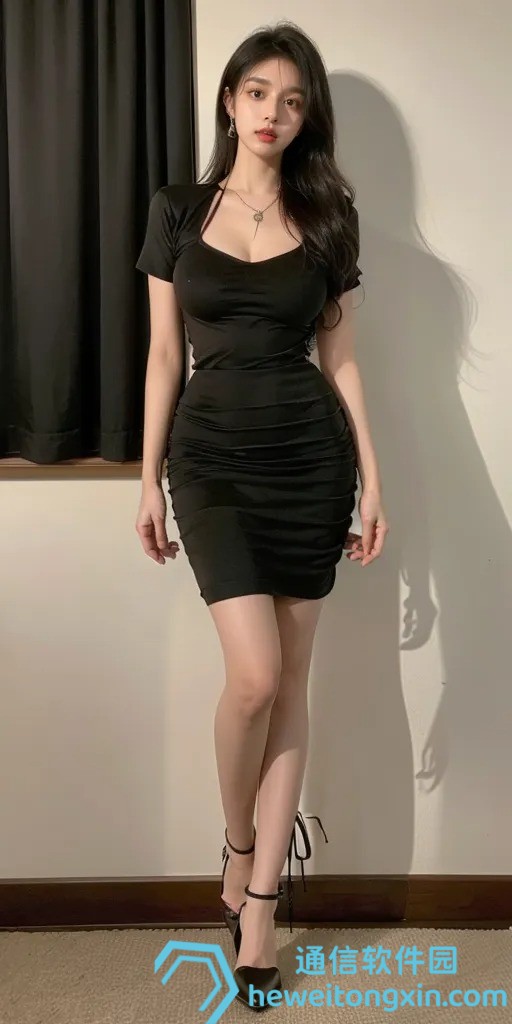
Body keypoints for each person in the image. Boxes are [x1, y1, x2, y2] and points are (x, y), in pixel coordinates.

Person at [135, 19, 389, 1013]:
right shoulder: (176, 209)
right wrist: (145, 480)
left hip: (308, 460)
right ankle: (239, 845)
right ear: (229, 100)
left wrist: (374, 480)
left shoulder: (328, 217)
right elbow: (164, 354)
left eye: (291, 99)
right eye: (257, 94)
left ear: (305, 114)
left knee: (289, 684)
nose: (272, 113)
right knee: (253, 678)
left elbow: (342, 358)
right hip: (208, 461)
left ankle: (261, 908)